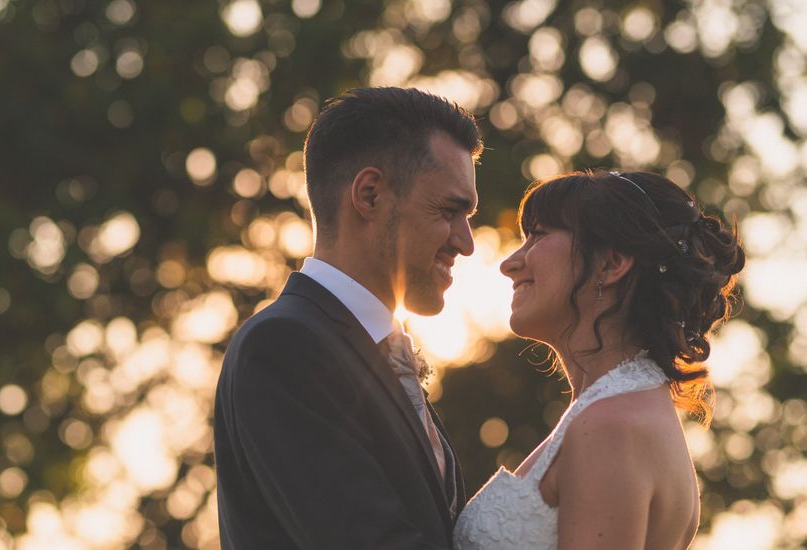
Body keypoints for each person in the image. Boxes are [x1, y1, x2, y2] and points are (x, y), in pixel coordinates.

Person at [214, 87, 483, 549]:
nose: (466, 242)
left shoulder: (370, 347)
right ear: (370, 194)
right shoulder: (284, 347)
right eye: (449, 211)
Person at [453, 170, 745, 550]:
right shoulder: (620, 411)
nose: (509, 263)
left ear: (611, 262)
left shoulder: (610, 427)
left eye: (538, 235)